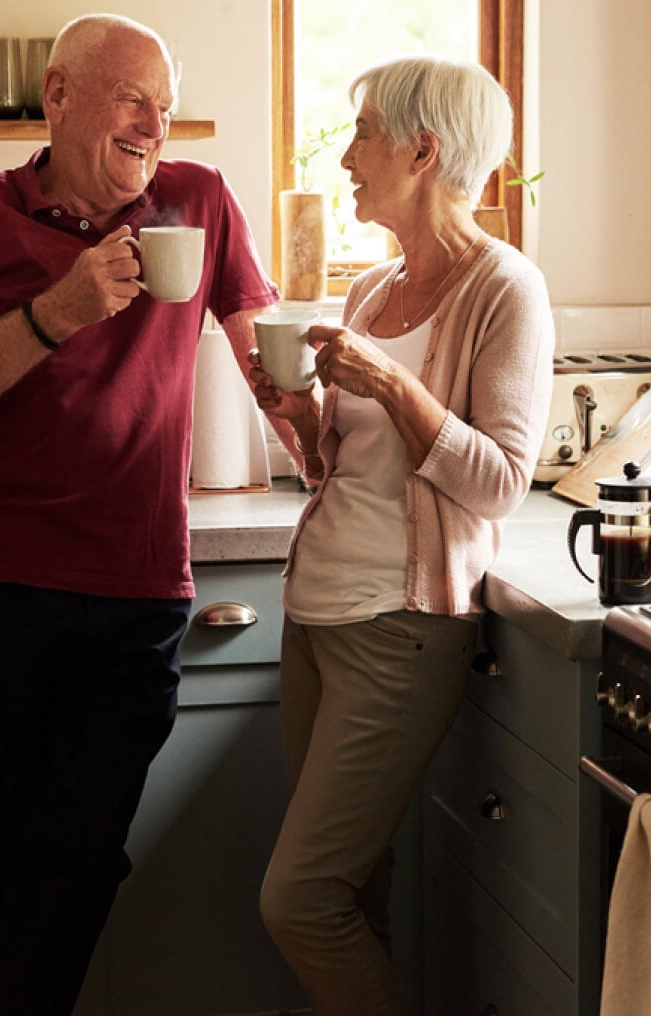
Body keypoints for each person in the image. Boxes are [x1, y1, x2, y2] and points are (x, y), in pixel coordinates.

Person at [0, 14, 288, 1016]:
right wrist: (54, 313)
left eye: (164, 104)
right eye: (131, 98)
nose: (154, 123)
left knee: (74, 861)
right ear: (57, 96)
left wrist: (319, 432)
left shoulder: (196, 201)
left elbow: (261, 361)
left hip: (133, 596)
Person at [251, 55, 554, 1015]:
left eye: (365, 135)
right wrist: (297, 418)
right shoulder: (372, 292)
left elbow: (500, 484)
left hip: (400, 627)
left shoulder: (506, 289)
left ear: (423, 151)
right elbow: (344, 474)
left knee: (299, 900)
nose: (347, 158)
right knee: (350, 896)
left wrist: (388, 383)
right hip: (317, 616)